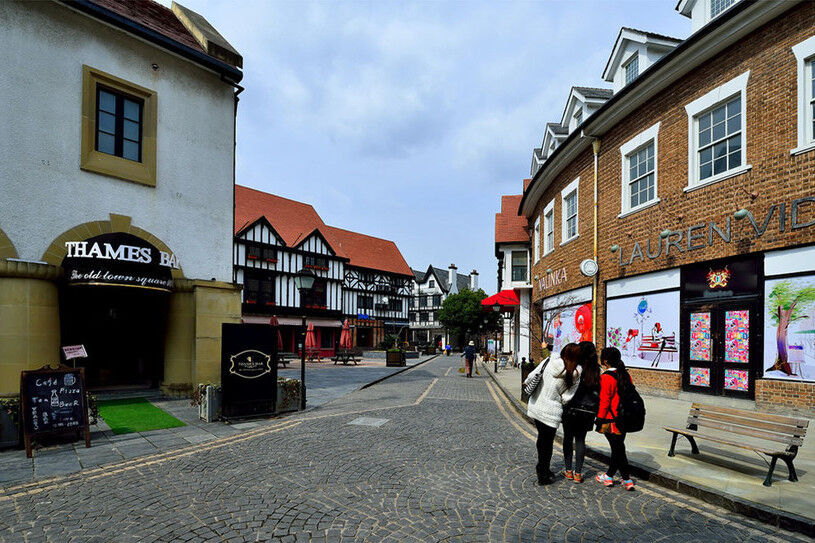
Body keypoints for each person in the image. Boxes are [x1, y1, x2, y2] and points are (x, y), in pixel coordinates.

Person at [524, 343, 581, 485]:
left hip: (537, 405)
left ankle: (543, 467)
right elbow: (567, 397)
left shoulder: (549, 361)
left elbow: (531, 376)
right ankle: (543, 472)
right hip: (552, 411)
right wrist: (557, 399)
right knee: (547, 442)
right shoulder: (576, 372)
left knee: (541, 438)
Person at [561, 341, 601, 483]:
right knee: (580, 440)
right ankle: (578, 473)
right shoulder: (596, 370)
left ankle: (568, 470)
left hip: (571, 408)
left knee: (567, 438)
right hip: (588, 411)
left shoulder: (575, 368)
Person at [596, 347, 635, 491]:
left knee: (618, 449)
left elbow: (604, 401)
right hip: (624, 417)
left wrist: (599, 418)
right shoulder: (626, 375)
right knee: (618, 448)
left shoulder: (606, 377)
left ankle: (626, 479)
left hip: (611, 419)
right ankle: (610, 475)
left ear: (605, 361)